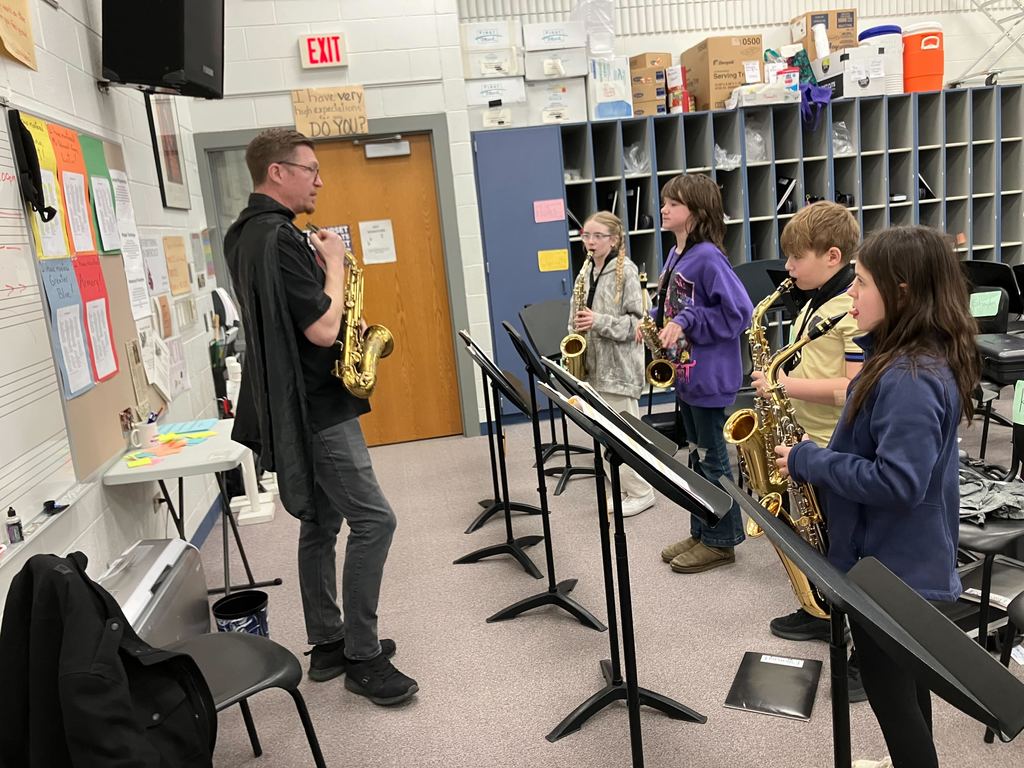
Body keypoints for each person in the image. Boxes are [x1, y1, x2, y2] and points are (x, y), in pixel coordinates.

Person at [224, 128, 417, 706]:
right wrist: (334, 263)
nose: (320, 179)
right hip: (317, 405)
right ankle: (362, 654)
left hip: (291, 398)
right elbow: (323, 328)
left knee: (321, 524)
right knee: (375, 521)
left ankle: (328, 642)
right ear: (277, 171)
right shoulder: (282, 238)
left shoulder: (242, 234)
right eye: (310, 169)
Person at [776, 226, 980, 768]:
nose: (851, 295)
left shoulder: (909, 376)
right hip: (894, 562)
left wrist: (809, 461)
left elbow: (898, 484)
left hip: (892, 573)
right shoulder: (903, 358)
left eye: (862, 283)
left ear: (904, 292)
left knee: (896, 707)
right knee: (908, 692)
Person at [750, 202, 868, 702]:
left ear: (833, 256)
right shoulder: (815, 299)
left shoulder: (852, 310)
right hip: (805, 436)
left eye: (796, 258)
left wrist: (784, 384)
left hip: (833, 442)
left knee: (848, 547)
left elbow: (855, 388)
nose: (789, 268)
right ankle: (821, 607)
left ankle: (866, 652)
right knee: (814, 536)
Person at [650, 174, 753, 573]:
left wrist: (688, 320)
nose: (664, 209)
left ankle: (722, 540)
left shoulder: (708, 256)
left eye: (672, 203)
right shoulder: (677, 254)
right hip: (686, 375)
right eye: (663, 202)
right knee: (695, 457)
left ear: (695, 211)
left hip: (708, 376)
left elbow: (739, 311)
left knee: (712, 460)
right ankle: (702, 530)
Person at [570, 211, 655, 516]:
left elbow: (637, 325)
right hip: (594, 368)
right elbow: (577, 316)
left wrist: (597, 321)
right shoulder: (586, 272)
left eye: (597, 236)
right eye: (586, 236)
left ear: (615, 240)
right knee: (605, 435)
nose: (590, 242)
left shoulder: (627, 273)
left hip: (619, 370)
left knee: (624, 437)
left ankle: (642, 492)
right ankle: (625, 488)